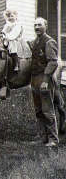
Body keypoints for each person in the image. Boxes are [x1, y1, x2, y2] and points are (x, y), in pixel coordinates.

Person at [29, 17, 65, 147]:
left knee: (47, 110)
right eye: (35, 25)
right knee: (38, 110)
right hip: (34, 79)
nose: (37, 27)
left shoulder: (49, 42)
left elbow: (53, 62)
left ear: (45, 26)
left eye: (39, 25)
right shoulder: (35, 42)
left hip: (44, 79)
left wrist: (45, 80)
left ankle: (53, 139)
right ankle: (42, 137)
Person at [0, 9, 30, 99]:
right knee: (2, 49)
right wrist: (1, 34)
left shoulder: (17, 25)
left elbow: (13, 35)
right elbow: (4, 31)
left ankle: (16, 64)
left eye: (12, 16)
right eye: (9, 16)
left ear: (16, 16)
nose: (11, 17)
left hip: (16, 41)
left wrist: (6, 36)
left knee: (12, 49)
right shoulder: (7, 25)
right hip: (7, 41)